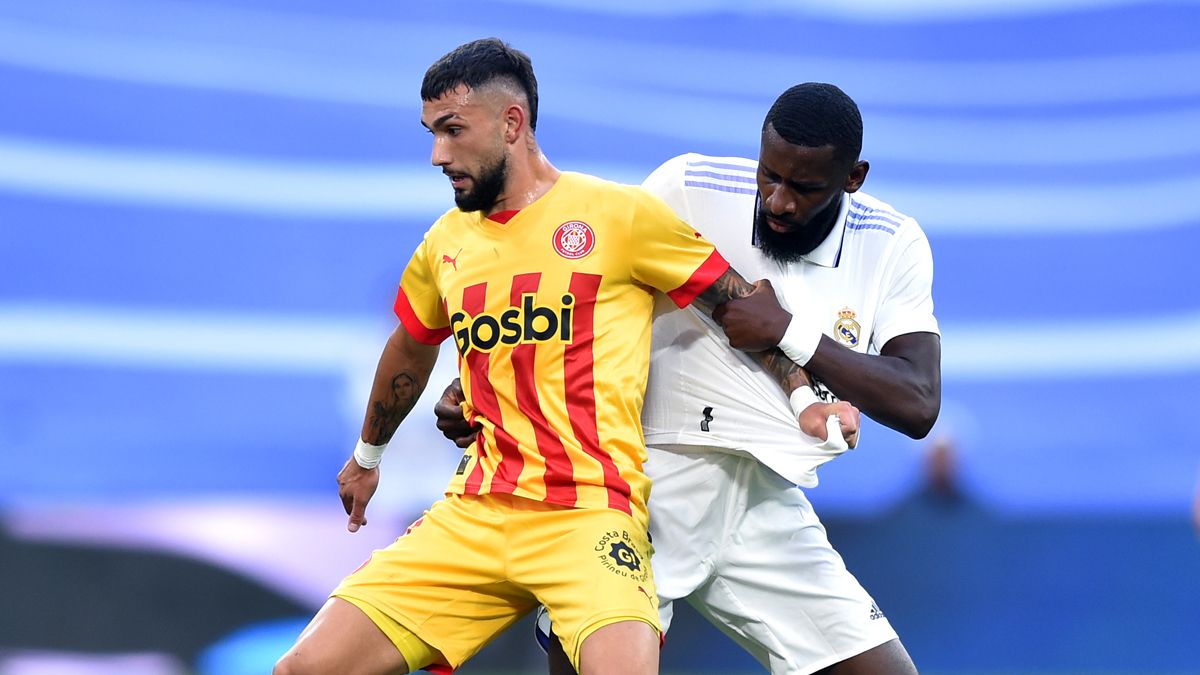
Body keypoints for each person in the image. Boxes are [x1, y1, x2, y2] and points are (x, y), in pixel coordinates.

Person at [273, 40, 847, 675]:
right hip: (477, 512)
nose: (438, 155)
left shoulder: (618, 216)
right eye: (432, 134)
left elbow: (739, 305)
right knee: (303, 669)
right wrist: (367, 457)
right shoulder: (446, 243)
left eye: (453, 131)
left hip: (590, 515)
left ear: (512, 124)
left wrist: (803, 398)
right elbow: (410, 343)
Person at [435, 82, 940, 674]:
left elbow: (918, 402)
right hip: (642, 481)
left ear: (853, 178)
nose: (777, 202)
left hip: (764, 497)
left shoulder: (892, 242)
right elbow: (576, 290)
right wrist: (483, 382)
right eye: (768, 176)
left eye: (805, 188)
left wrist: (787, 331)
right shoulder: (689, 187)